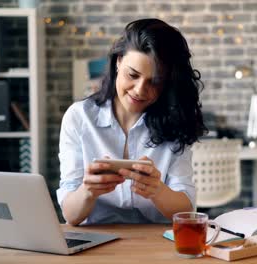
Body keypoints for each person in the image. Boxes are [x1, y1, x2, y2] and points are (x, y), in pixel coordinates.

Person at [57, 18, 207, 225]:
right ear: (118, 62)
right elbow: (70, 216)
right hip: (96, 242)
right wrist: (87, 191)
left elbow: (186, 211)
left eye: (154, 82)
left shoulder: (175, 121)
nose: (139, 90)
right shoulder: (79, 118)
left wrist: (158, 190)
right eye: (133, 75)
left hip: (157, 243)